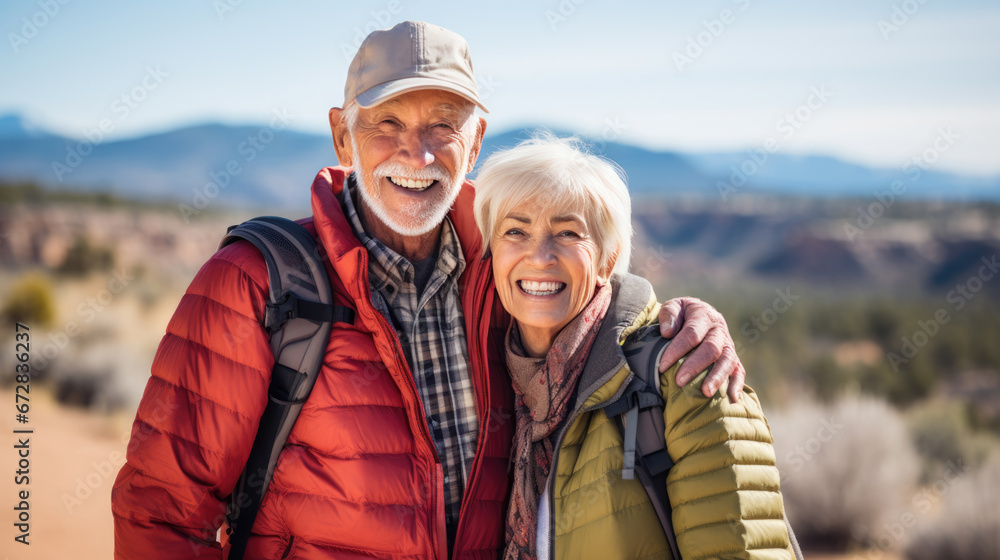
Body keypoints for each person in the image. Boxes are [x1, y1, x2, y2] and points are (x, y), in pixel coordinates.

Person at [112, 21, 748, 559]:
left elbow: (592, 300)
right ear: (342, 135)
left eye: (443, 124)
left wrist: (683, 319)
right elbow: (161, 511)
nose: (416, 155)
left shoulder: (504, 272)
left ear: (474, 141)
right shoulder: (256, 283)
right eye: (386, 122)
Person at [473, 135, 795, 560]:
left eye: (568, 233)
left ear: (608, 260)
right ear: (491, 252)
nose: (540, 256)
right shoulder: (488, 379)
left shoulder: (687, 375)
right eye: (516, 230)